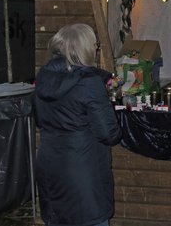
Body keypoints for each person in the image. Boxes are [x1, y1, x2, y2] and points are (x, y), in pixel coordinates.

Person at [34, 24, 122, 226]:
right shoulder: (89, 83)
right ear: (84, 48)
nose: (96, 48)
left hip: (50, 166)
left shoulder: (43, 78)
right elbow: (109, 134)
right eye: (94, 45)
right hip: (83, 172)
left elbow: (40, 119)